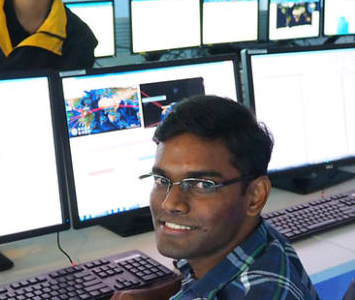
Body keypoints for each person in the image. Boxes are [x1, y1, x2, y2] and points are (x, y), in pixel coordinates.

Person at [113, 95, 318, 300]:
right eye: (161, 180)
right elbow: (211, 279)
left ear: (256, 196)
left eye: (202, 185)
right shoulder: (255, 240)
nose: (171, 203)